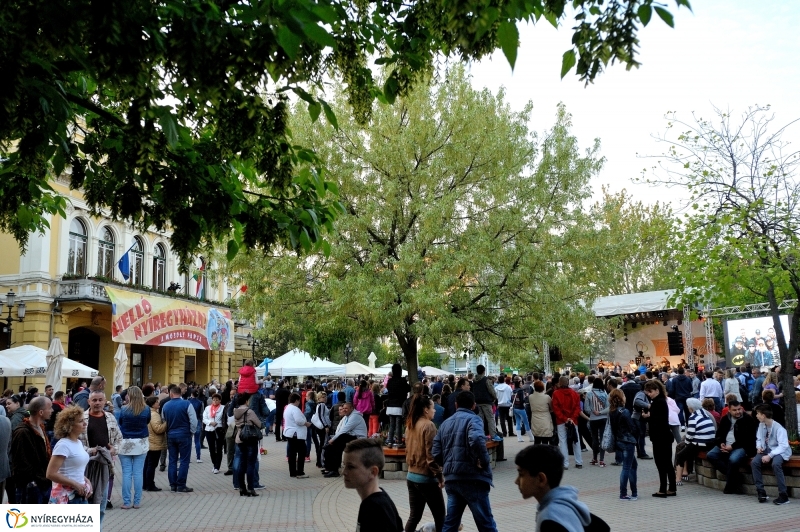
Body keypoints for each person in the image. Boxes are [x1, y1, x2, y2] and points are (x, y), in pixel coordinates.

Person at [432, 391, 498, 532]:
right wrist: (483, 461)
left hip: (452, 479)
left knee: (450, 524)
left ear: (456, 405)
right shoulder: (474, 419)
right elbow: (476, 439)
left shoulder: (445, 424)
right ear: (474, 405)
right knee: (486, 524)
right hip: (472, 478)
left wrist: (446, 463)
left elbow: (435, 451)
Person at [514, 444, 607, 532]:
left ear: (541, 479)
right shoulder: (568, 505)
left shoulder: (550, 519)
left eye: (521, 474)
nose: (516, 481)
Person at [342, 438, 403, 532]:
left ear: (373, 472)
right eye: (344, 465)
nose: (344, 472)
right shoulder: (377, 500)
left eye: (351, 467)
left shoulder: (374, 509)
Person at [404, 394, 445, 532]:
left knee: (414, 516)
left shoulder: (410, 424)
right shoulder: (429, 426)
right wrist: (439, 476)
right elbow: (431, 456)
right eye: (433, 408)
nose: (435, 411)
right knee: (440, 517)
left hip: (411, 475)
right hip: (426, 478)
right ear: (426, 410)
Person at [705, 399, 758, 494]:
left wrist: (732, 447)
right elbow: (719, 434)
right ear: (729, 410)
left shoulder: (748, 420)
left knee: (733, 460)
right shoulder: (725, 419)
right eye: (735, 410)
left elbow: (747, 439)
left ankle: (730, 487)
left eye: (739, 409)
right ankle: (737, 477)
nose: (738, 412)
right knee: (711, 455)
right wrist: (721, 443)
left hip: (741, 446)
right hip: (725, 445)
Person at [10, 396, 53, 503]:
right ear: (41, 412)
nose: (52, 410)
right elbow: (21, 463)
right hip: (31, 487)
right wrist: (35, 481)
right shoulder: (22, 432)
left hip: (42, 484)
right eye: (50, 407)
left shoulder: (41, 427)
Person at [46, 406, 91, 504]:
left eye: (84, 420)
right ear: (69, 425)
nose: (85, 423)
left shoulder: (78, 442)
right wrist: (75, 484)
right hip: (66, 497)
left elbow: (74, 469)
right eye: (80, 421)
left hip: (79, 494)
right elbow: (50, 473)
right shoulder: (63, 445)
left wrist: (86, 481)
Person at [115, 386, 151, 509]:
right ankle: (137, 501)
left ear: (130, 396)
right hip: (141, 442)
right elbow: (147, 421)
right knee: (138, 473)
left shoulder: (124, 409)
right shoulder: (146, 409)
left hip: (125, 442)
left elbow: (120, 423)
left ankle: (126, 502)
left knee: (126, 473)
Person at [751, 404, 791, 505]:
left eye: (758, 414)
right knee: (755, 462)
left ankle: (783, 495)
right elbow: (759, 438)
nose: (756, 416)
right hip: (767, 449)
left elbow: (783, 446)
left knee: (776, 464)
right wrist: (758, 447)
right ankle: (761, 491)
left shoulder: (779, 428)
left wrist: (770, 456)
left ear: (763, 415)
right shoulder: (761, 425)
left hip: (779, 451)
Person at [161, 384, 198, 493]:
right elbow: (193, 420)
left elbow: (164, 421)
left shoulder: (166, 406)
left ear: (171, 394)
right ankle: (181, 485)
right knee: (184, 460)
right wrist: (191, 432)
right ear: (180, 393)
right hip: (184, 435)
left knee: (172, 460)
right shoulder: (187, 404)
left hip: (171, 435)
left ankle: (173, 485)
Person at [642, 379, 675, 497]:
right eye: (647, 392)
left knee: (661, 463)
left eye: (650, 391)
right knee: (667, 463)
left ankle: (663, 489)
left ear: (656, 390)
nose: (649, 394)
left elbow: (658, 420)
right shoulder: (660, 400)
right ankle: (672, 488)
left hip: (660, 437)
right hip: (664, 436)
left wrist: (647, 417)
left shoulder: (658, 402)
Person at [674, 397, 715, 485]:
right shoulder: (705, 413)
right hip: (710, 442)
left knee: (680, 455)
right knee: (686, 448)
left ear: (691, 408)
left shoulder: (693, 416)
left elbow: (690, 434)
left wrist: (687, 444)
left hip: (701, 443)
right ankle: (684, 472)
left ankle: (678, 479)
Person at [323, 402, 368, 477]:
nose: (344, 410)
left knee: (339, 441)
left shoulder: (355, 417)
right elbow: (340, 430)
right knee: (333, 446)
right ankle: (330, 468)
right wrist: (333, 439)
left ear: (352, 408)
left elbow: (344, 430)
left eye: (346, 408)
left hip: (359, 439)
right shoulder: (347, 417)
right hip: (352, 437)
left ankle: (334, 470)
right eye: (343, 408)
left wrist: (333, 440)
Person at [608, 389, 638, 500]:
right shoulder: (624, 412)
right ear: (621, 398)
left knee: (632, 466)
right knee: (627, 467)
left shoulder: (612, 411)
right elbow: (632, 428)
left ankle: (633, 492)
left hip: (619, 441)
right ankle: (624, 493)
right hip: (627, 441)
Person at [234, 392, 264, 494]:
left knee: (242, 464)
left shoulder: (236, 411)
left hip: (240, 439)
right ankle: (251, 488)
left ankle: (242, 488)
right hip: (250, 439)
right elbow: (259, 424)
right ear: (246, 401)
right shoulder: (249, 412)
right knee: (251, 464)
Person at [552, 376, 583, 470]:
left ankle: (565, 464)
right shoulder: (575, 394)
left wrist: (565, 419)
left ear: (559, 383)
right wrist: (572, 418)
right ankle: (579, 462)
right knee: (576, 440)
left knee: (563, 441)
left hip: (561, 421)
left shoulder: (556, 393)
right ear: (568, 383)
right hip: (574, 421)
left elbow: (556, 409)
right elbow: (578, 408)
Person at [283, 392, 309, 480]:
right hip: (296, 434)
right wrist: (306, 423)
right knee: (302, 452)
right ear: (297, 400)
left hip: (289, 433)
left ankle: (293, 472)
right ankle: (300, 471)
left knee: (292, 453)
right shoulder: (295, 409)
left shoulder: (287, 408)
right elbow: (299, 421)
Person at [584, 379, 609, 467]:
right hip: (603, 418)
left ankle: (594, 458)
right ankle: (602, 460)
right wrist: (601, 412)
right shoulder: (605, 393)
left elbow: (586, 408)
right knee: (602, 438)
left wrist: (593, 411)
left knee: (594, 438)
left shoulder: (589, 394)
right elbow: (608, 407)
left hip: (593, 419)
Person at [472, 365, 500, 442]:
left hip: (477, 402)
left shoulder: (474, 381)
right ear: (484, 371)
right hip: (486, 402)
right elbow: (491, 390)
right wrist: (494, 398)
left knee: (480, 419)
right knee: (490, 418)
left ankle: (481, 434)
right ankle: (493, 435)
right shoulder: (486, 380)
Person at [143, 396, 166, 491]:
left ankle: (145, 484)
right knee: (152, 465)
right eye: (157, 402)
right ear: (153, 404)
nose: (159, 403)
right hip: (154, 443)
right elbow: (158, 428)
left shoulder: (148, 412)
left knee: (147, 464)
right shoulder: (154, 414)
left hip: (149, 442)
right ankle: (150, 484)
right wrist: (166, 423)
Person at [386, 365, 410, 446]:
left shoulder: (390, 381)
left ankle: (390, 440)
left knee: (391, 424)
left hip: (390, 405)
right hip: (399, 404)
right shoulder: (402, 381)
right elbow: (408, 389)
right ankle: (399, 441)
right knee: (398, 424)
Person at [202, 393, 225, 474]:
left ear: (220, 400)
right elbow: (204, 418)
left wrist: (219, 425)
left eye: (217, 400)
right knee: (211, 448)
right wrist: (210, 422)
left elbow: (224, 419)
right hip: (209, 429)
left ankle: (217, 466)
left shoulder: (223, 408)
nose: (215, 401)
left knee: (219, 448)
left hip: (219, 430)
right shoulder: (208, 408)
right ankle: (214, 463)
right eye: (214, 399)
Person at [528, 380, 553, 445]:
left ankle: (536, 454)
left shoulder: (531, 397)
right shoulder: (547, 397)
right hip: (545, 419)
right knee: (545, 440)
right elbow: (552, 408)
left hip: (535, 418)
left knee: (537, 440)